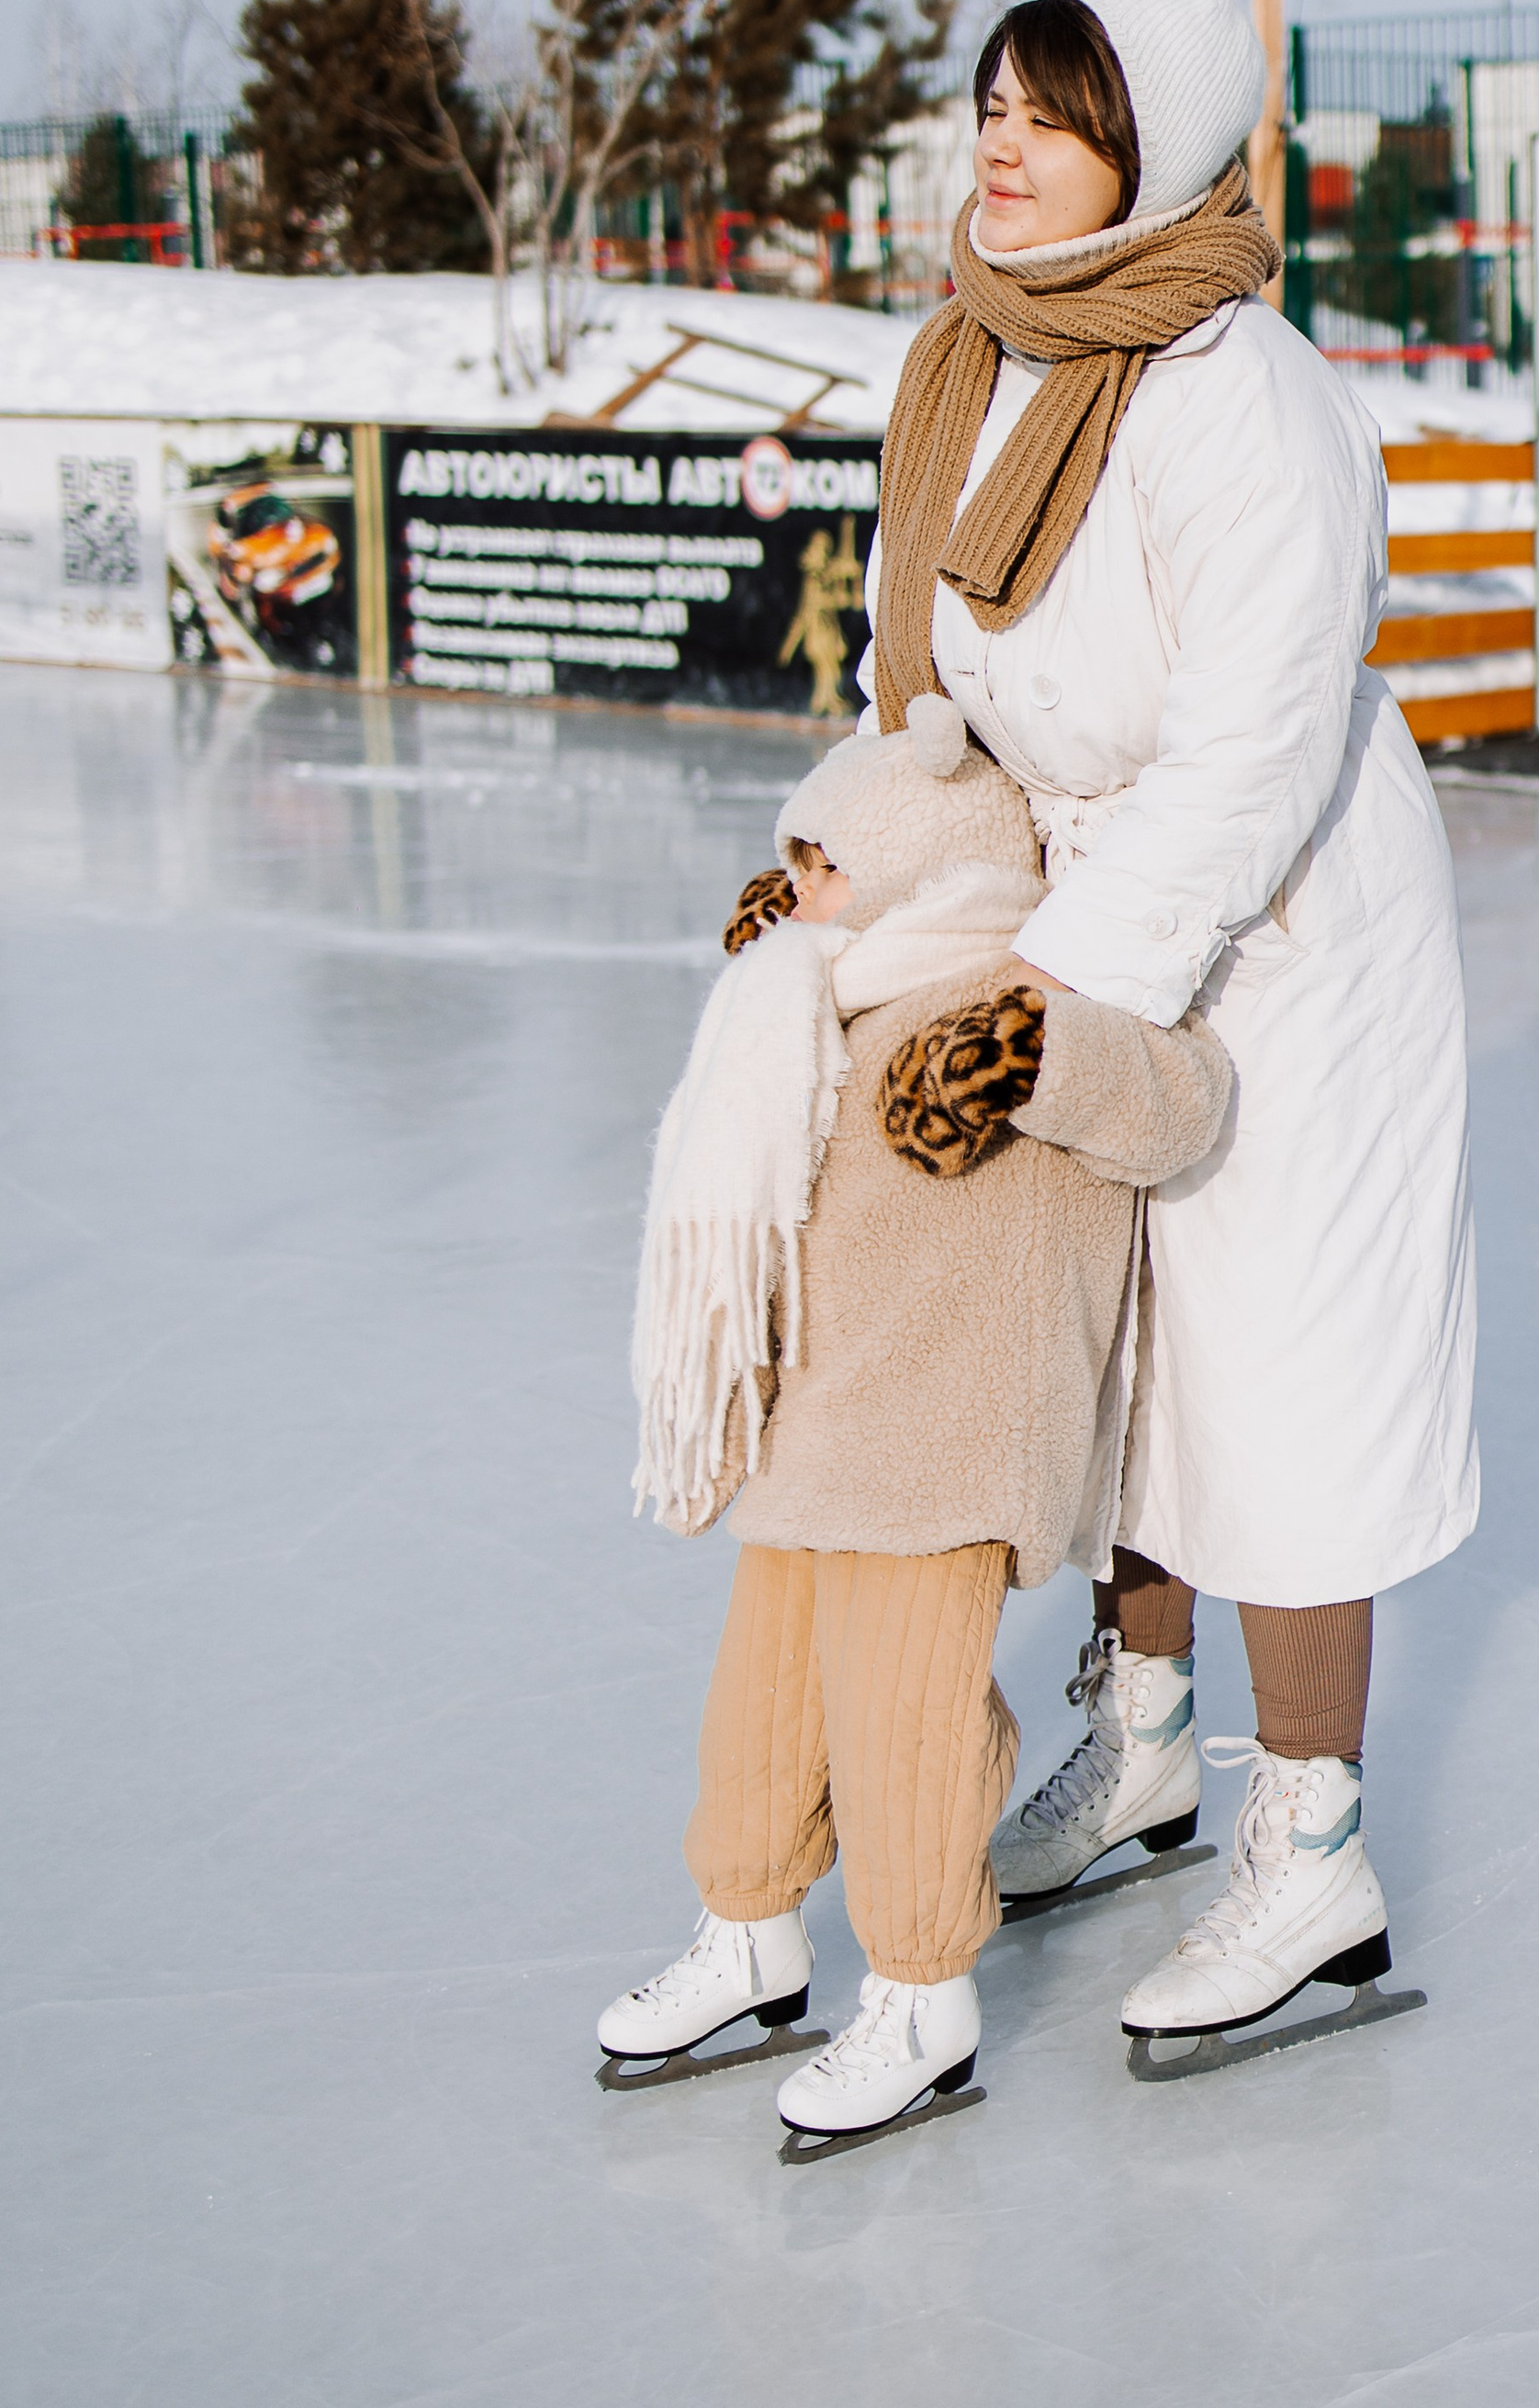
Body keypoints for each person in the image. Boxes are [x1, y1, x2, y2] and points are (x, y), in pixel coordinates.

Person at [842, 0, 1478, 2042]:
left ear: (1162, 148)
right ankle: (1136, 1739)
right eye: (989, 103)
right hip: (1086, 900)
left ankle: (1309, 1845)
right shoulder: (979, 360)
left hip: (1277, 929)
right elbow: (948, 691)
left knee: (1275, 1370)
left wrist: (1037, 1008)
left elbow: (1239, 765)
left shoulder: (1245, 395)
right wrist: (872, 885)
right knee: (1118, 1356)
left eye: (1055, 110)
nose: (999, 142)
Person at [601, 694, 1230, 2136]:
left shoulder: (1032, 982)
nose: (800, 887)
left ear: (921, 850)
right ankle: (748, 1928)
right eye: (800, 858)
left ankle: (918, 1991)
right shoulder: (823, 992)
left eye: (825, 859)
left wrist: (1033, 1059)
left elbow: (1180, 1098)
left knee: (904, 1719)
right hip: (824, 1420)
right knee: (761, 1706)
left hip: (949, 1434)